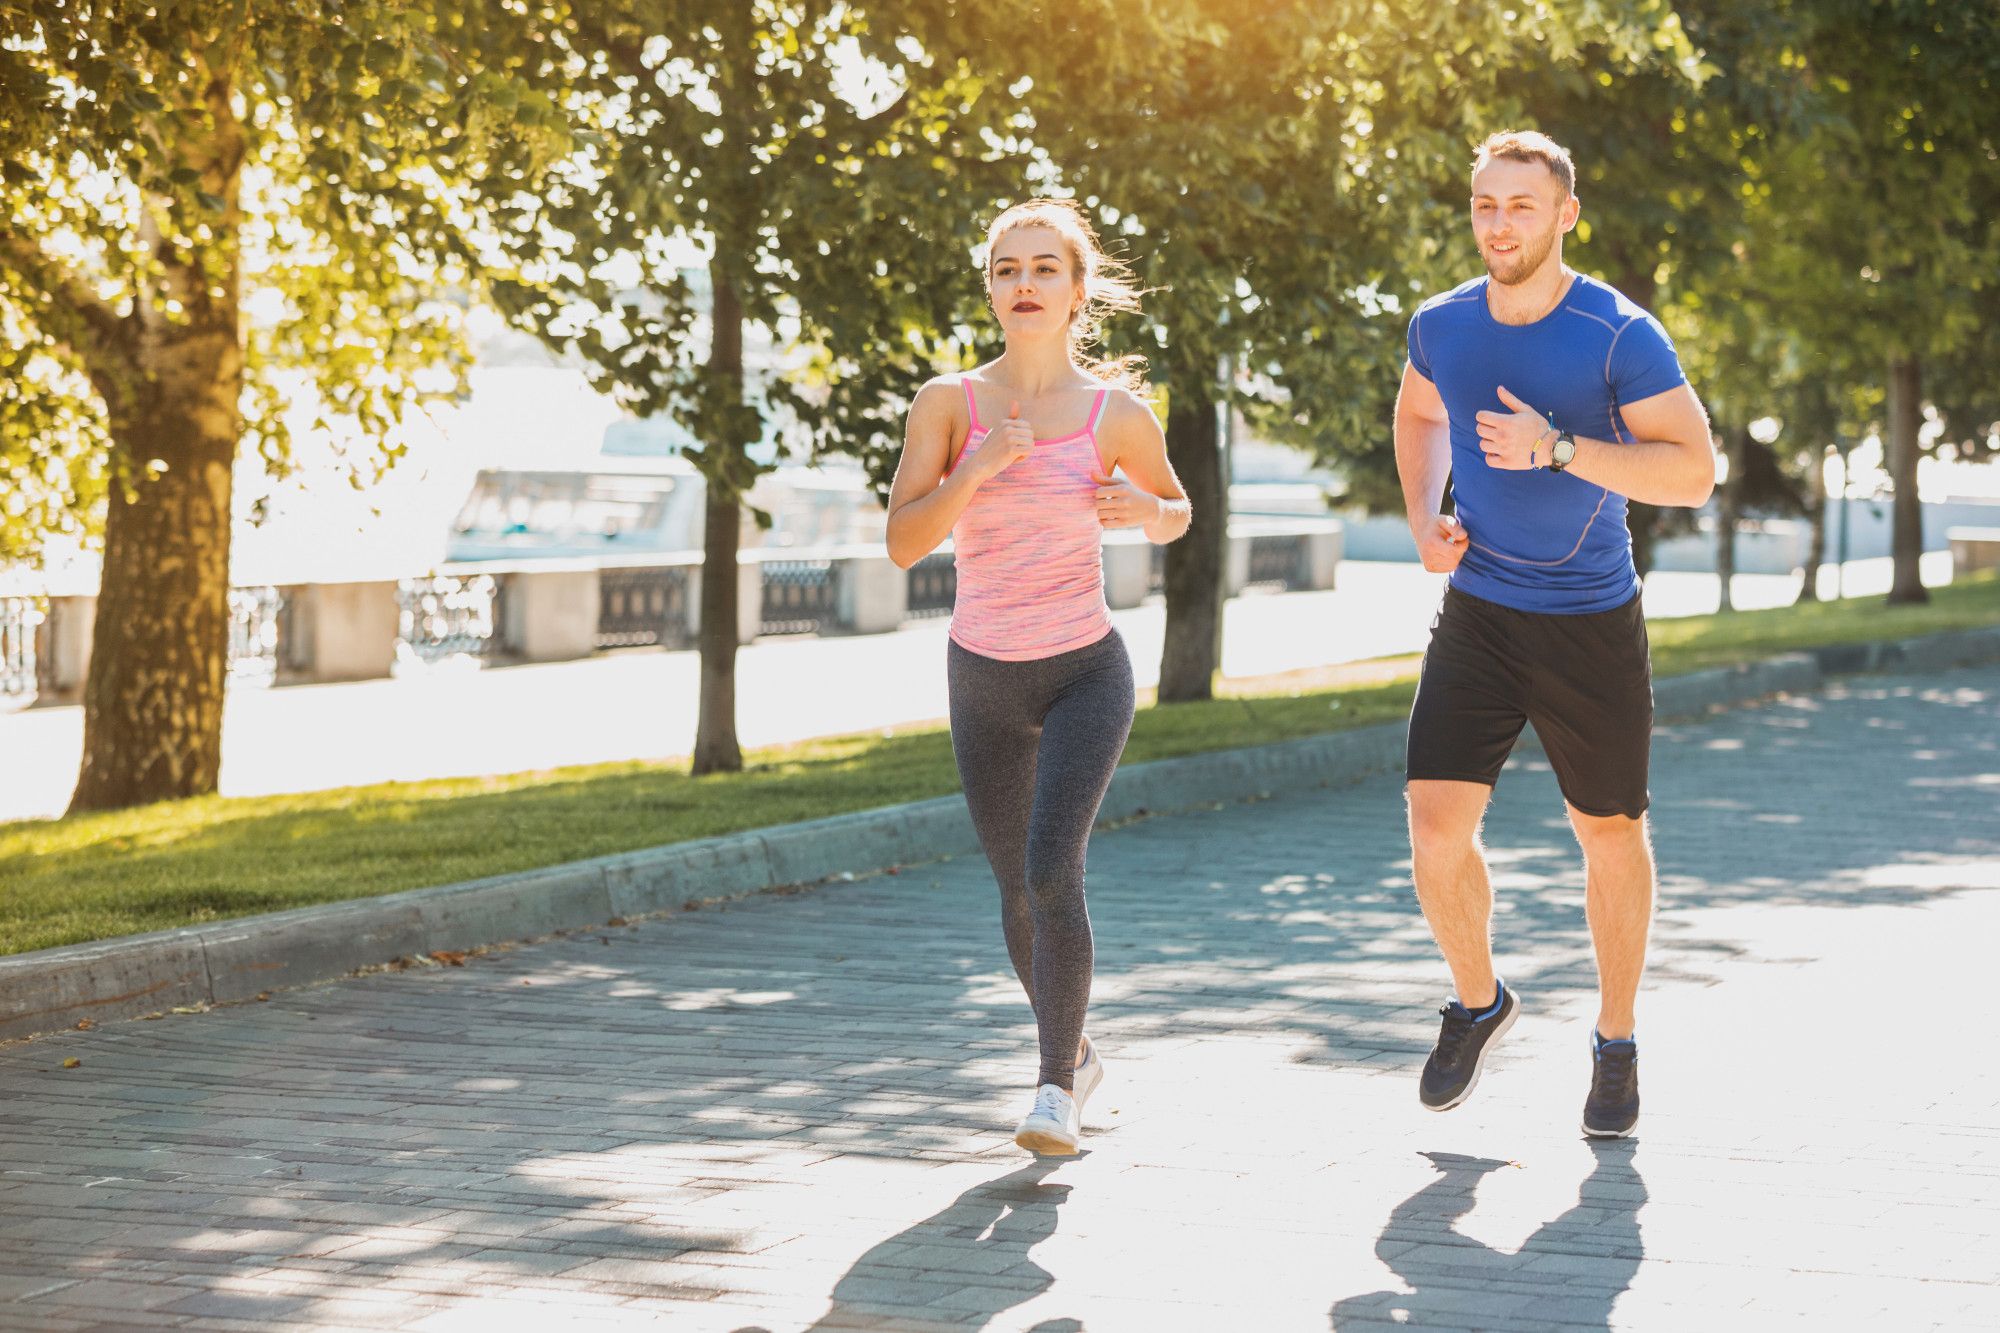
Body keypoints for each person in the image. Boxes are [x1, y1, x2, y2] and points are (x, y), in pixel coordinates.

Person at [1393, 131, 1716, 1138]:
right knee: (1434, 826)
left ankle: (1613, 1039)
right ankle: (1476, 1000)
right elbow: (1415, 417)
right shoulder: (1441, 324)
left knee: (1606, 831)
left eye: (1519, 206)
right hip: (1481, 609)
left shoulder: (1617, 334)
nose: (1498, 223)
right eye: (1484, 204)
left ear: (1563, 214)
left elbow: (1692, 470)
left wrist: (1560, 448)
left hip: (1587, 620)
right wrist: (1421, 516)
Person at [886, 199, 1190, 1155]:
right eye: (1009, 269)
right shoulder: (948, 406)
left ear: (1076, 290)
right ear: (990, 288)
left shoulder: (1115, 415)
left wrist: (1145, 505)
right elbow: (903, 544)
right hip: (982, 672)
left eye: (1045, 269)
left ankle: (1054, 1088)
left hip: (1083, 672)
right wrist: (977, 468)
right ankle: (1079, 1048)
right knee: (1016, 890)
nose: (1026, 284)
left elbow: (1177, 511)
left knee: (1055, 869)